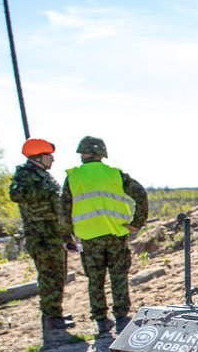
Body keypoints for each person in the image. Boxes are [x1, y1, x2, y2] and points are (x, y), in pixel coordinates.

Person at [60, 136, 147, 337]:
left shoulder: (73, 177)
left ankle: (100, 321)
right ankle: (122, 317)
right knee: (118, 277)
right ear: (101, 153)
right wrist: (136, 222)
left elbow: (64, 209)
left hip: (89, 238)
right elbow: (140, 193)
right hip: (116, 234)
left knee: (95, 280)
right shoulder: (114, 174)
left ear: (83, 153)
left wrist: (67, 237)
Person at [8, 138, 76, 335]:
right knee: (49, 277)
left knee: (58, 276)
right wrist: (42, 191)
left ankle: (56, 314)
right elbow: (16, 194)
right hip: (41, 238)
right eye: (50, 156)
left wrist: (66, 236)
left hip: (53, 236)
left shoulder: (42, 175)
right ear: (39, 156)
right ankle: (51, 318)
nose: (53, 160)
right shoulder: (26, 175)